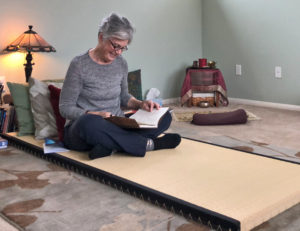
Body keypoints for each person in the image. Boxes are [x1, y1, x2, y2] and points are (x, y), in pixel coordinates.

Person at [59, 13, 181, 159]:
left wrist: (141, 104)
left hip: (117, 123)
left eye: (123, 48)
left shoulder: (121, 63)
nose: (118, 52)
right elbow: (65, 107)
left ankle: (110, 145)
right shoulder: (79, 64)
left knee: (164, 115)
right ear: (101, 37)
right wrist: (93, 114)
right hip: (84, 129)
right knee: (89, 123)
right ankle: (150, 144)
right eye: (115, 45)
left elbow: (124, 97)